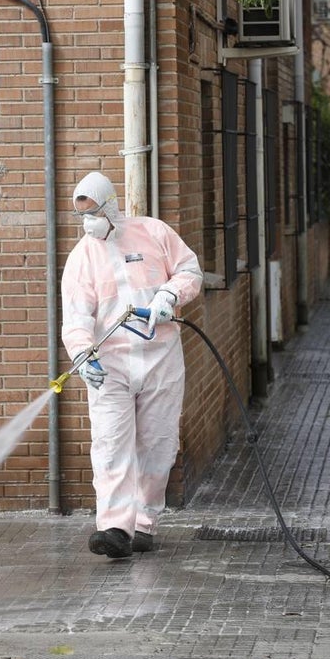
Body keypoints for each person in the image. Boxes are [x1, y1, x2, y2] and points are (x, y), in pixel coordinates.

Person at [61, 171, 203, 559]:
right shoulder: (81, 259)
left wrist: (169, 296)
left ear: (110, 206)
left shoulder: (153, 233)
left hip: (160, 360)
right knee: (110, 445)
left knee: (158, 445)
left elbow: (190, 271)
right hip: (110, 367)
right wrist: (82, 354)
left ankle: (144, 523)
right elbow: (75, 318)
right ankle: (113, 528)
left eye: (92, 212)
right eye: (80, 216)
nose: (87, 222)